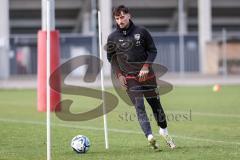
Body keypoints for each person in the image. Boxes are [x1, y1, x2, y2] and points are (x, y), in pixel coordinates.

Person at [106, 5, 176, 150]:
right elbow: (111, 58)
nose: (120, 21)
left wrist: (145, 67)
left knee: (156, 106)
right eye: (117, 18)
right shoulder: (112, 37)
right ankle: (150, 137)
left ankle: (164, 131)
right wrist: (119, 75)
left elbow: (152, 51)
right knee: (139, 106)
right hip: (130, 79)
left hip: (148, 76)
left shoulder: (142, 32)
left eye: (122, 17)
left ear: (129, 15)